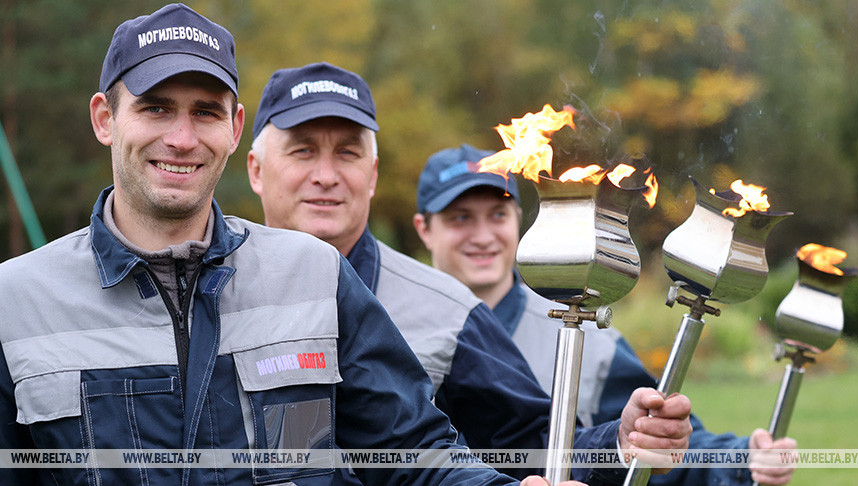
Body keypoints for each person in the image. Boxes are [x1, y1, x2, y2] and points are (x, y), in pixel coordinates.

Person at [0, 5, 577, 485]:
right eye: (155, 108)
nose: (181, 138)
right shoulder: (17, 300)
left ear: (234, 128)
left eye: (205, 112)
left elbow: (412, 454)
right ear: (105, 118)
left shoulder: (314, 274)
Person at [247, 62, 694, 484]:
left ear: (373, 175)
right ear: (256, 170)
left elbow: (528, 444)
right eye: (303, 151)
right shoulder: (202, 287)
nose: (326, 175)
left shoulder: (451, 312)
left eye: (347, 153)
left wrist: (618, 442)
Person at [412, 144, 800, 486]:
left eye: (497, 215)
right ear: (424, 229)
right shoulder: (388, 321)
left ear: (518, 218)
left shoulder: (594, 341)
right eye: (460, 218)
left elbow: (658, 443)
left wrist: (740, 459)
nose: (482, 236)